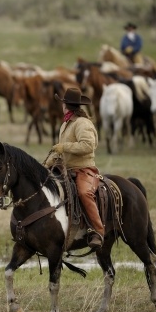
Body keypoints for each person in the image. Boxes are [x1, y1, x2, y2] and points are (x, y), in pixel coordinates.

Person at [44, 87, 104, 249]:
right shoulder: (66, 124)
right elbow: (59, 151)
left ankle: (97, 231)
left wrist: (64, 147)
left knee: (84, 193)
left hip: (84, 169)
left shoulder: (83, 123)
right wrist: (45, 166)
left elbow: (88, 146)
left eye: (63, 103)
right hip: (65, 169)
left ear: (66, 106)